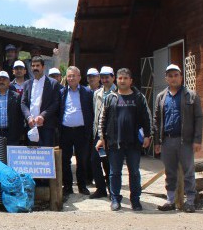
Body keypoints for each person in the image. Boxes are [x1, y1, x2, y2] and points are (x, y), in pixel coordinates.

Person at [96, 68, 152, 211]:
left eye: (125, 78)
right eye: (120, 78)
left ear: (131, 81)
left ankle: (135, 200)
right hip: (115, 142)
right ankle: (115, 199)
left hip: (133, 142)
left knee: (134, 172)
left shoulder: (139, 97)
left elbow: (147, 118)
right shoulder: (110, 98)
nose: (122, 81)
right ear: (117, 80)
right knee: (114, 172)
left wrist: (147, 135)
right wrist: (102, 138)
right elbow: (102, 119)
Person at [154, 64, 203, 213]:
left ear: (181, 77)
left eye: (176, 75)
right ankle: (170, 201)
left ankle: (190, 201)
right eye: (170, 75)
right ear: (166, 78)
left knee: (188, 171)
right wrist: (157, 141)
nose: (173, 78)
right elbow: (156, 119)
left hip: (186, 141)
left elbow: (199, 118)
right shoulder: (161, 97)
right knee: (170, 172)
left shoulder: (191, 95)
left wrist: (197, 140)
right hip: (167, 140)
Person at [59, 66, 95, 196]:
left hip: (81, 131)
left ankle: (82, 186)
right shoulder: (62, 92)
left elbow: (92, 111)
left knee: (82, 159)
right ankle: (67, 186)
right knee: (65, 160)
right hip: (65, 131)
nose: (71, 78)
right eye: (69, 76)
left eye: (74, 75)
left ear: (79, 77)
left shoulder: (87, 92)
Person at [21, 56, 62, 147]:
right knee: (32, 156)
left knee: (46, 155)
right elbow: (23, 103)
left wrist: (43, 116)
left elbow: (55, 103)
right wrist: (28, 117)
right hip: (31, 126)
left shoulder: (53, 83)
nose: (35, 68)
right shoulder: (27, 84)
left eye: (37, 66)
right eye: (33, 66)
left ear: (43, 67)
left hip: (46, 126)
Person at [89, 66, 116, 200]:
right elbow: (96, 113)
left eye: (107, 77)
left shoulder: (118, 92)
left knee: (109, 163)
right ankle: (101, 189)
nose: (105, 80)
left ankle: (113, 190)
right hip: (99, 135)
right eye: (103, 77)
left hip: (112, 135)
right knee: (95, 160)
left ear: (113, 77)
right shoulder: (97, 93)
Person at [0, 71, 26, 146]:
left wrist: (19, 134)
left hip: (12, 135)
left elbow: (21, 117)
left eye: (4, 79)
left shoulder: (16, 97)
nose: (2, 81)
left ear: (9, 82)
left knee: (11, 157)